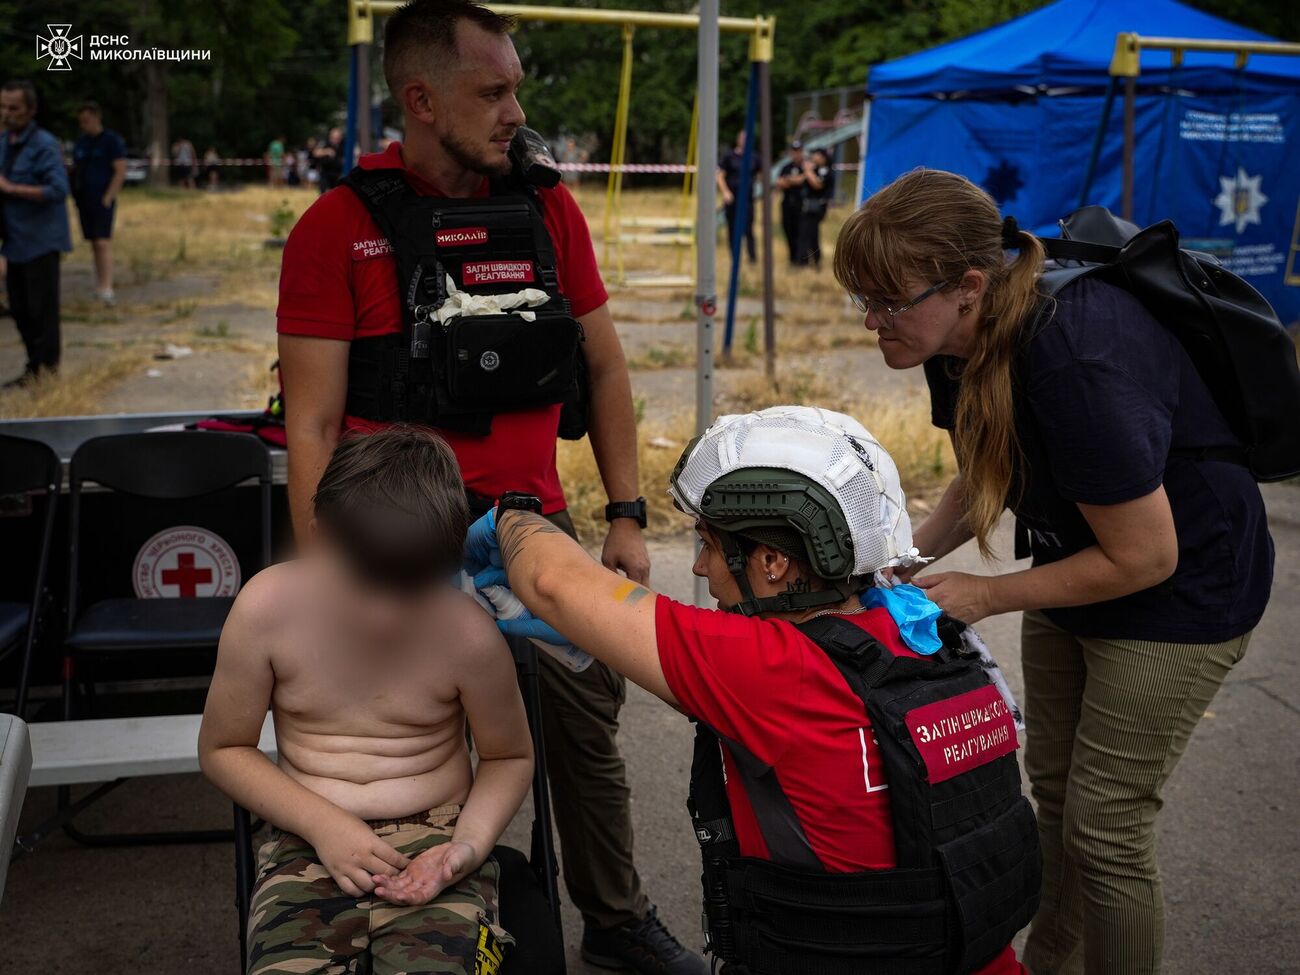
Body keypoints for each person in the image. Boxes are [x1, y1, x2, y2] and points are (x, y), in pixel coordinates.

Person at [275, 2, 699, 971]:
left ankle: (618, 918)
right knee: (402, 750)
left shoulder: (548, 209)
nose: (515, 111)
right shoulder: (336, 227)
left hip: (531, 534)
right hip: (394, 539)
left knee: (584, 730)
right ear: (420, 100)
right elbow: (311, 423)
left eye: (517, 88)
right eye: (493, 91)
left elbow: (605, 369)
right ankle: (411, 924)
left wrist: (626, 515)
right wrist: (316, 574)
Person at [831, 168, 1273, 975]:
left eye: (888, 302)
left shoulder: (1073, 352)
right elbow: (984, 470)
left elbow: (1146, 554)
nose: (871, 321)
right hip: (1085, 561)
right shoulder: (957, 338)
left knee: (1107, 828)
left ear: (969, 284)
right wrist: (907, 557)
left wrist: (986, 595)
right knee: (1059, 803)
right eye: (860, 298)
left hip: (1185, 585)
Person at [463, 405, 1037, 975]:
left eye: (709, 544)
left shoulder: (775, 667)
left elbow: (550, 579)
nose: (698, 568)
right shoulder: (924, 634)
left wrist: (507, 520)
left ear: (772, 562)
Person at [199, 426, 533, 974]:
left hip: (439, 837)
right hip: (304, 839)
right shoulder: (266, 612)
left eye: (414, 589)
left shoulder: (468, 635)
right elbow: (223, 748)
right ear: (319, 536)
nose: (387, 615)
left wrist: (466, 848)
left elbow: (508, 756)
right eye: (367, 583)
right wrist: (321, 824)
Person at [0, 79, 70, 387]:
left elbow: (58, 189)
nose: (6, 113)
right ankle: (33, 369)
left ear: (31, 110)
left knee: (42, 313)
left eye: (13, 108)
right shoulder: (4, 143)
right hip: (14, 241)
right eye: (2, 107)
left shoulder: (43, 144)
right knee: (19, 309)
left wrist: (12, 188)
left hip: (40, 241)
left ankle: (48, 376)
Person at [71, 101, 126, 304]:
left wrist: (108, 197)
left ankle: (107, 286)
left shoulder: (111, 141)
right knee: (93, 242)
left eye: (86, 120)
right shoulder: (81, 143)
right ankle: (99, 283)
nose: (84, 125)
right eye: (81, 122)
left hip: (102, 199)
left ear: (96, 118)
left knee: (103, 242)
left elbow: (120, 170)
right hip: (84, 199)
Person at [716, 129, 756, 264]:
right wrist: (725, 192)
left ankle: (752, 259)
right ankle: (735, 258)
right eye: (742, 138)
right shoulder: (729, 157)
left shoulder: (754, 157)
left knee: (749, 230)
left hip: (747, 200)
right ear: (738, 140)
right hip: (732, 199)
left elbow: (763, 176)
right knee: (732, 230)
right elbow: (720, 176)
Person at [797, 147, 833, 268]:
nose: (813, 157)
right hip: (808, 206)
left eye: (816, 154)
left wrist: (807, 171)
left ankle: (807, 261)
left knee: (808, 234)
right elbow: (800, 180)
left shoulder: (826, 171)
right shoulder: (815, 169)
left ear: (823, 157)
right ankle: (811, 260)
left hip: (817, 208)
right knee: (810, 234)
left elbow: (818, 184)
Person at [775, 139, 806, 265]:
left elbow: (802, 180)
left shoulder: (806, 166)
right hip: (788, 204)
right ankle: (793, 259)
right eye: (794, 151)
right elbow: (779, 183)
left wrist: (789, 180)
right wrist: (794, 180)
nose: (796, 154)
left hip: (802, 204)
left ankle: (801, 260)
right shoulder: (786, 167)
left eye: (799, 151)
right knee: (789, 231)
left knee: (801, 233)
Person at [315, 127, 344, 193]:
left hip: (338, 174)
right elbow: (316, 152)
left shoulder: (343, 145)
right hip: (325, 173)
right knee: (324, 194)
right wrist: (327, 151)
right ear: (330, 136)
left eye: (337, 138)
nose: (335, 139)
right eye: (333, 137)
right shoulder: (325, 143)